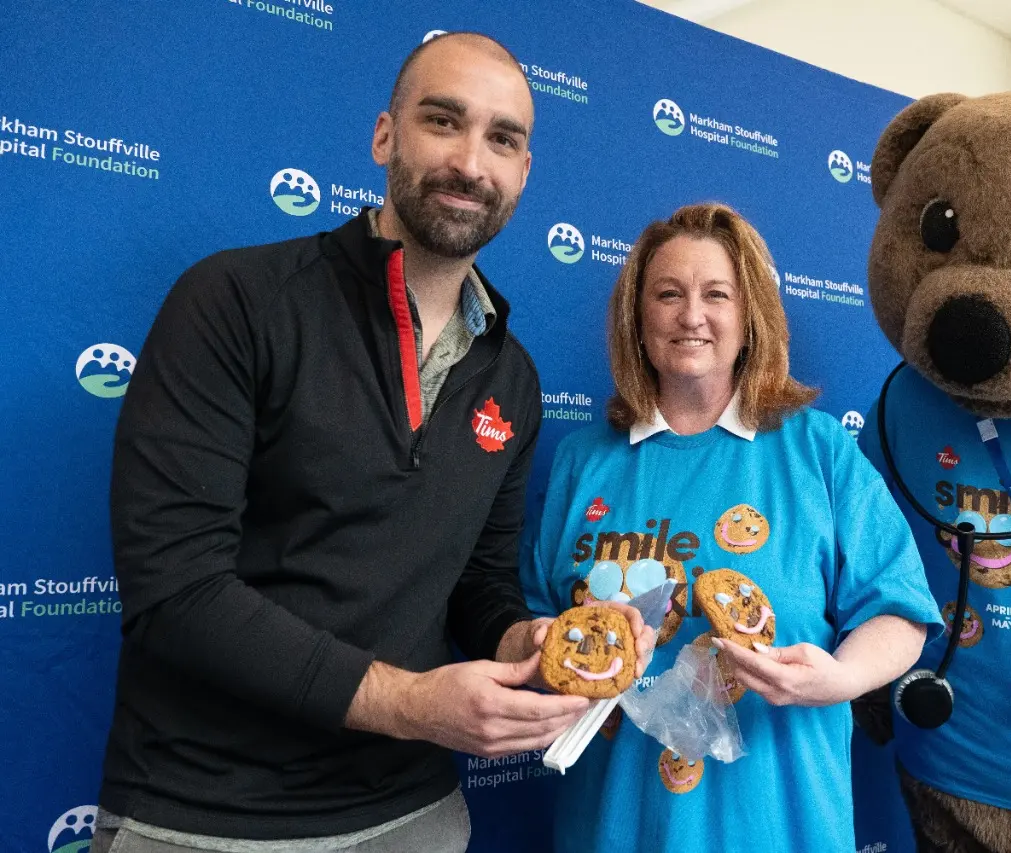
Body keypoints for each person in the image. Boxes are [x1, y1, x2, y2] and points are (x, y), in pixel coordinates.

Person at [91, 32, 647, 853]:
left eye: (503, 138)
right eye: (442, 121)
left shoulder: (512, 377)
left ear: (524, 173)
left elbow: (478, 585)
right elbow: (175, 590)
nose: (470, 161)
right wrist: (412, 703)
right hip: (202, 817)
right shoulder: (236, 301)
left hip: (411, 815)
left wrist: (523, 641)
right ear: (385, 135)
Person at [522, 202, 942, 853]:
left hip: (785, 823)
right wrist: (548, 649)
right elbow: (534, 623)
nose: (692, 315)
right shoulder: (584, 461)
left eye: (717, 294)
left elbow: (901, 612)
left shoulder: (819, 450)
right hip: (613, 827)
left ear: (750, 319)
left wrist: (841, 677)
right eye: (668, 294)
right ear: (637, 317)